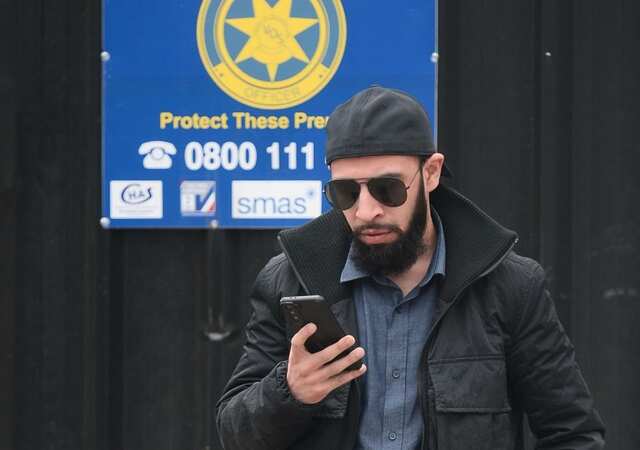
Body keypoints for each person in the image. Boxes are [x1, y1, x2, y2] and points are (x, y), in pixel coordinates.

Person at [216, 86, 605, 450]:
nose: (367, 211)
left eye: (388, 189)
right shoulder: (289, 279)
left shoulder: (508, 286)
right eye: (346, 193)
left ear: (431, 173)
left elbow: (573, 432)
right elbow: (234, 433)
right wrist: (289, 392)